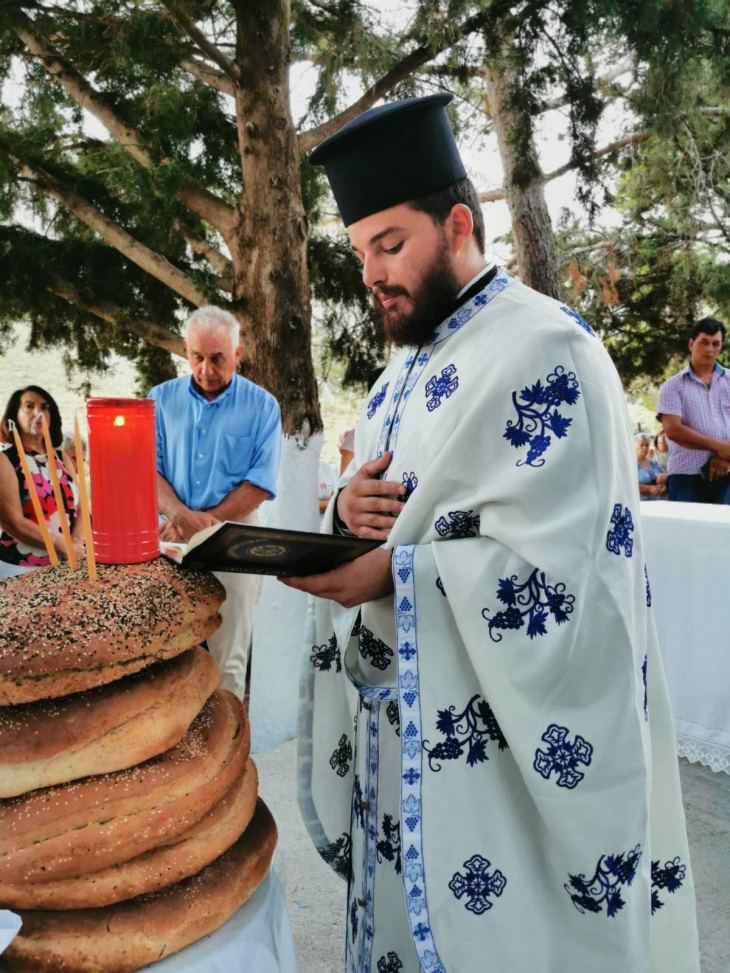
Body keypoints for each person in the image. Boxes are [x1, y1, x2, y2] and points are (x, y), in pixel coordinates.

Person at [285, 95, 699, 972]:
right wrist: (344, 514)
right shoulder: (400, 373)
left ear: (458, 224)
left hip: (499, 772)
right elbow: (392, 509)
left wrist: (392, 577)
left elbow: (575, 577)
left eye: (390, 245)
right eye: (361, 255)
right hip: (399, 750)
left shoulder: (551, 349)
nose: (373, 275)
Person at [148, 306, 281, 698]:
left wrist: (201, 522)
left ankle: (229, 737)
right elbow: (147, 468)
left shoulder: (263, 406)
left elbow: (260, 483)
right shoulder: (160, 400)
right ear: (186, 351)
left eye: (217, 358)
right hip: (170, 532)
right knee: (164, 653)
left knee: (229, 658)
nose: (206, 369)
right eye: (197, 357)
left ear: (237, 354)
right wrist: (179, 516)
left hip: (235, 536)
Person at [0, 386, 82, 578]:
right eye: (29, 406)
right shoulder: (5, 460)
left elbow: (81, 509)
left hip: (66, 561)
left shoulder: (62, 458)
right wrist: (62, 545)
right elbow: (12, 522)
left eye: (45, 407)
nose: (38, 413)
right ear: (15, 414)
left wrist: (78, 542)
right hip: (21, 566)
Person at [657, 318, 730, 503]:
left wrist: (725, 457)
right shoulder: (672, 386)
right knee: (685, 523)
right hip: (685, 477)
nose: (710, 349)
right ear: (691, 344)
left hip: (726, 472)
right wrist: (720, 447)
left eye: (715, 344)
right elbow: (673, 430)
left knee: (724, 523)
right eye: (704, 342)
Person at [636, 433, 667, 500]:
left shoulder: (654, 462)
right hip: (642, 501)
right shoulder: (632, 465)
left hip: (658, 500)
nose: (645, 448)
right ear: (635, 446)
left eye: (647, 445)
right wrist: (649, 488)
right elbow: (629, 484)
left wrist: (663, 485)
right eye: (641, 445)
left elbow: (664, 476)